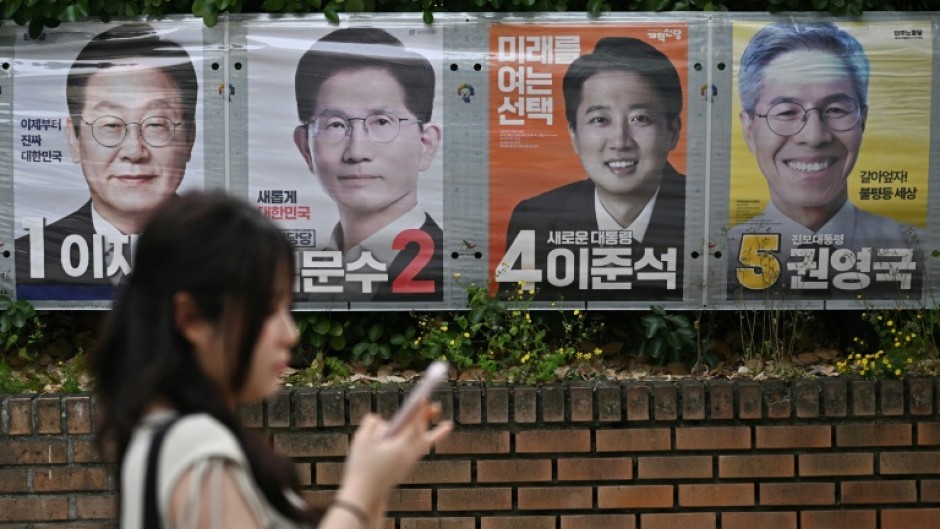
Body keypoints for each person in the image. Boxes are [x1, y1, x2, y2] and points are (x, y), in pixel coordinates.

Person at [90, 191, 452, 529]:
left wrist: (374, 485)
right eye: (267, 311)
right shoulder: (198, 448)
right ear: (190, 318)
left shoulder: (158, 433)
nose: (290, 334)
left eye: (286, 308)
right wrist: (360, 489)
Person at [728, 22, 924, 300]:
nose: (814, 136)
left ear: (863, 121)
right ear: (749, 129)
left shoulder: (919, 250)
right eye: (786, 112)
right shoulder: (723, 255)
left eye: (835, 109)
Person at [15, 23, 198, 299]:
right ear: (74, 139)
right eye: (111, 125)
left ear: (189, 138)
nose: (134, 151)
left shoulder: (230, 255)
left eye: (156, 124)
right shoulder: (26, 260)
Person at [498, 37, 686, 302]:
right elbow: (513, 314)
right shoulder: (536, 219)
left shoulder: (704, 214)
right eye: (600, 119)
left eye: (640, 118)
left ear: (672, 131)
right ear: (574, 135)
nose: (620, 141)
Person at [292, 28, 443, 302]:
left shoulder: (454, 271)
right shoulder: (295, 283)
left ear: (426, 143)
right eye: (335, 125)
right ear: (305, 149)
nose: (356, 152)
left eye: (382, 122)